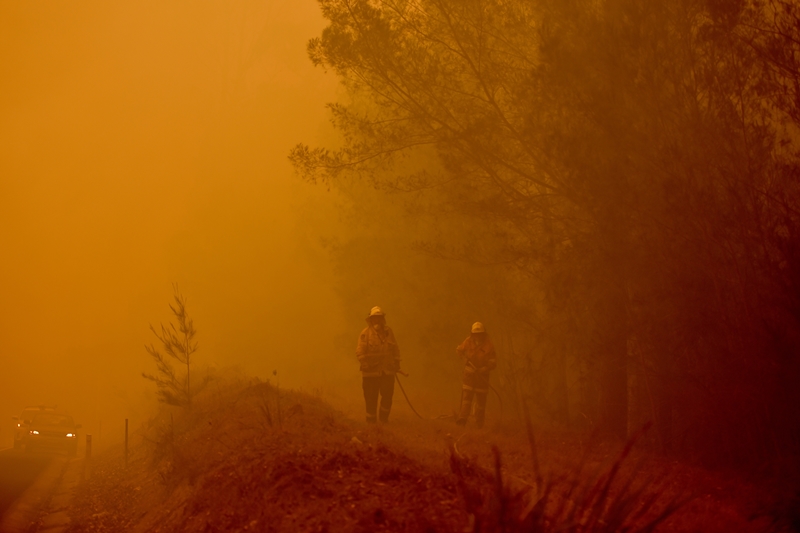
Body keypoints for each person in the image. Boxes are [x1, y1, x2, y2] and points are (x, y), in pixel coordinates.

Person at [356, 306, 401, 423]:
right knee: (371, 399)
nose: (377, 320)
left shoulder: (388, 332)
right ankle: (371, 423)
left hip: (387, 371)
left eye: (379, 318)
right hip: (370, 374)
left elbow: (395, 348)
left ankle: (384, 420)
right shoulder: (365, 334)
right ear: (371, 320)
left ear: (382, 319)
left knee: (387, 396)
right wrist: (364, 363)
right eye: (374, 318)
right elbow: (359, 351)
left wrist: (397, 362)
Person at [456, 322, 496, 428]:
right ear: (472, 334)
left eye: (480, 334)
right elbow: (459, 350)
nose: (477, 336)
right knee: (466, 399)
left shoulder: (489, 345)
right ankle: (462, 420)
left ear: (483, 334)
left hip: (482, 378)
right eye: (475, 334)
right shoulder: (468, 341)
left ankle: (479, 424)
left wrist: (484, 368)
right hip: (469, 376)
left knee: (481, 403)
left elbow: (493, 362)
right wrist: (464, 359)